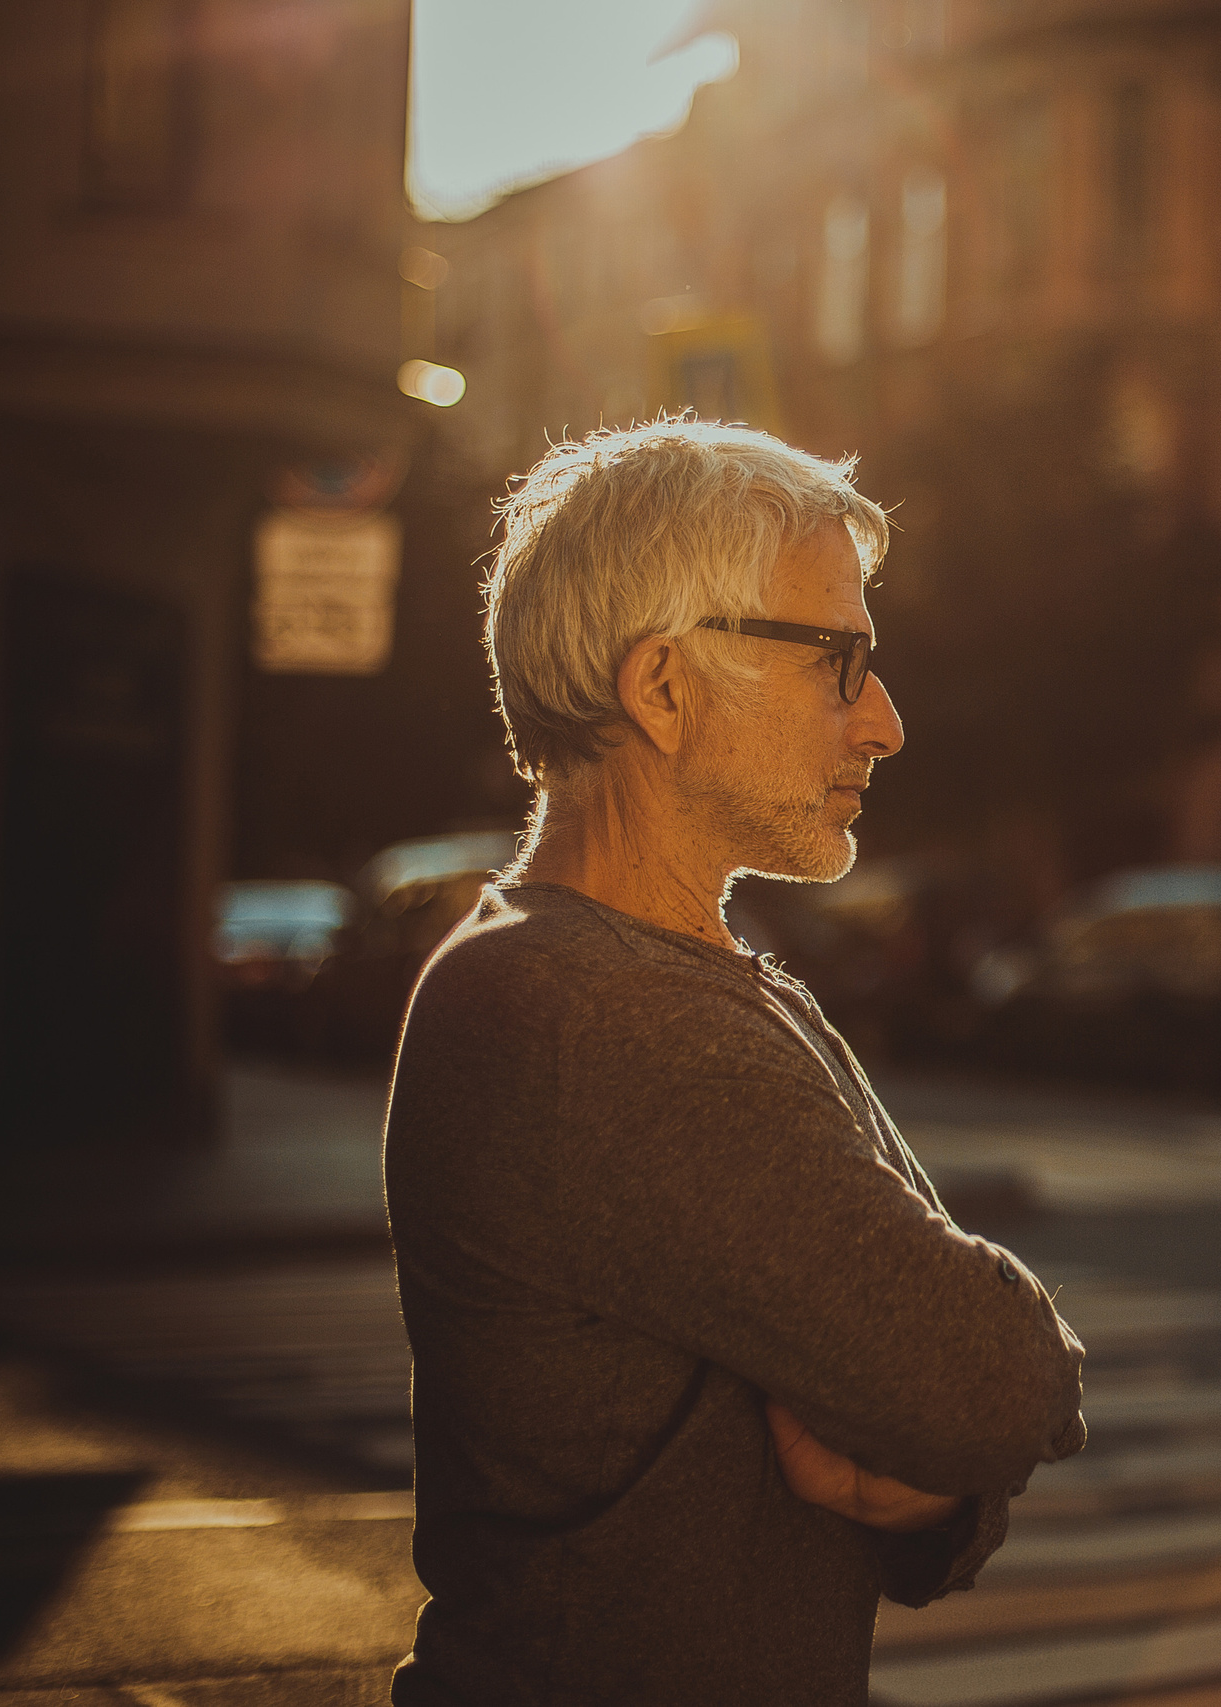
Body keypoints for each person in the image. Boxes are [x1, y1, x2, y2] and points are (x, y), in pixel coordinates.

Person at [384, 422, 1086, 1705]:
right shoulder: (589, 1012)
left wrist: (926, 1485)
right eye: (840, 660)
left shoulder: (669, 971)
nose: (885, 720)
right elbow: (991, 1372)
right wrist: (972, 1418)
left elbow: (952, 1388)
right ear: (661, 688)